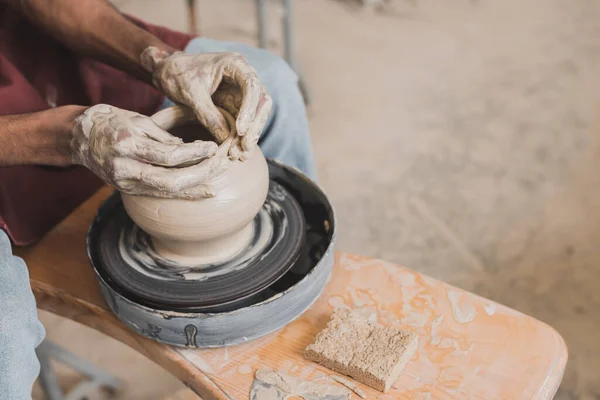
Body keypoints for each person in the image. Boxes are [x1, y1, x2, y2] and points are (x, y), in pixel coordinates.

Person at [0, 0, 316, 397]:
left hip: (25, 57)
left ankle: (292, 301)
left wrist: (160, 61)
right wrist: (64, 136)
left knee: (272, 85)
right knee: (3, 335)